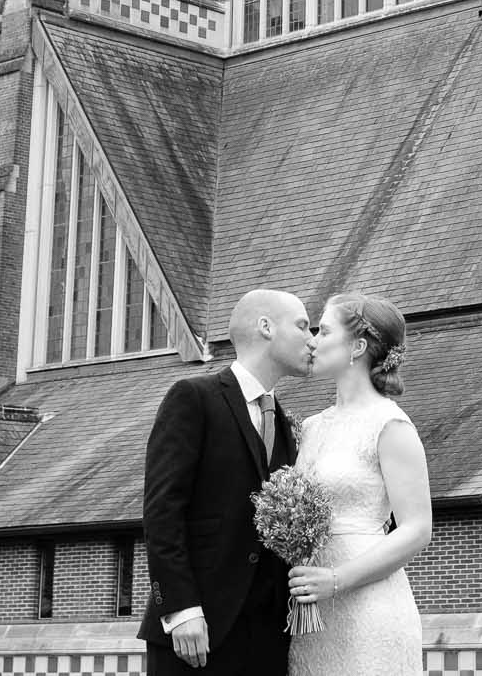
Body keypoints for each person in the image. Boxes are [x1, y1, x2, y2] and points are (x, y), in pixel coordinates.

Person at [140, 289, 315, 675]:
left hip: (267, 639)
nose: (313, 339)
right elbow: (162, 510)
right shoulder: (193, 399)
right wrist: (180, 608)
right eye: (303, 326)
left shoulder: (288, 428)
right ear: (266, 327)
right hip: (193, 633)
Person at [285, 292, 432, 676]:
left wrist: (335, 580)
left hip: (368, 608)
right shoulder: (312, 427)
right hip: (309, 613)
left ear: (358, 346)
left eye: (324, 330)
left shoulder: (390, 424)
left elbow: (417, 529)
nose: (313, 340)